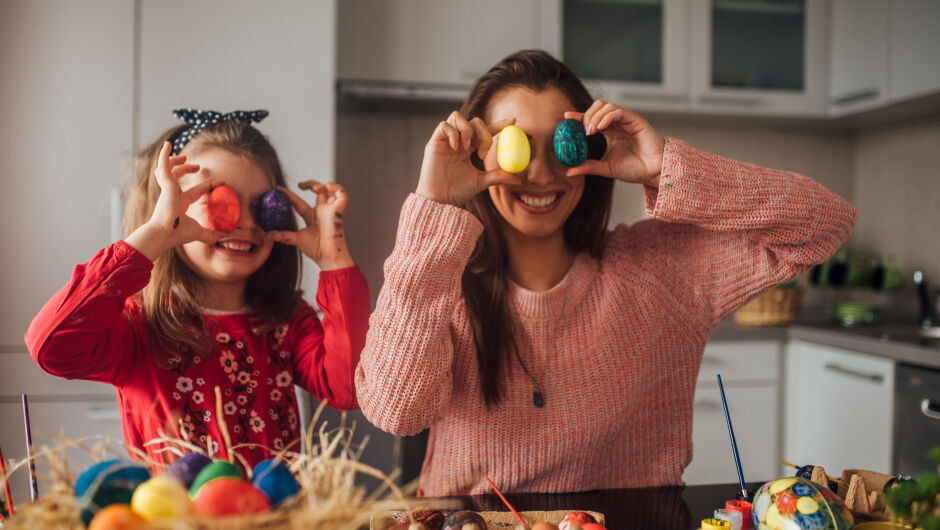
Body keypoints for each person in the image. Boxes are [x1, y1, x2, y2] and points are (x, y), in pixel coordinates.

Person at [355, 50, 857, 496]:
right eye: (518, 145)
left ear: (589, 147)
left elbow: (825, 224)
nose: (541, 174)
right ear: (480, 153)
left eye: (562, 144)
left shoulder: (658, 271)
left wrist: (667, 168)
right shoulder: (441, 283)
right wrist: (435, 206)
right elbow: (397, 411)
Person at [26, 109, 370, 469]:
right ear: (171, 209)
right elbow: (52, 345)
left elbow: (349, 388)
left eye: (264, 206)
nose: (247, 222)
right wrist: (155, 234)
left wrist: (335, 261)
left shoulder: (284, 321)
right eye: (222, 202)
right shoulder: (141, 325)